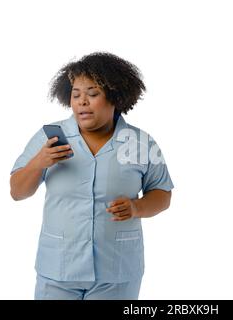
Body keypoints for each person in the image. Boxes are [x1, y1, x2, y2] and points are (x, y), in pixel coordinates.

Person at [9, 52, 174, 300]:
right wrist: (38, 163)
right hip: (58, 269)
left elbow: (162, 193)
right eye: (76, 95)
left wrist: (136, 207)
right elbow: (17, 192)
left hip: (116, 271)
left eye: (92, 94)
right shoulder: (48, 139)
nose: (82, 102)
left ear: (115, 97)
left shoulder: (141, 143)